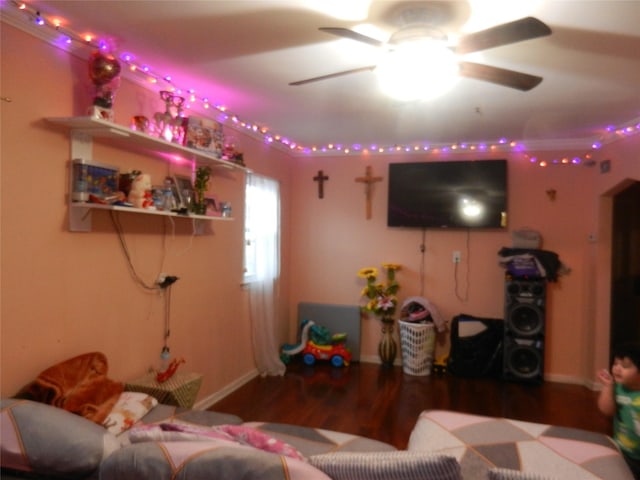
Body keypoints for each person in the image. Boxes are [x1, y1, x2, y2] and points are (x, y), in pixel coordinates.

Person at [597, 343, 640, 479]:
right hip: (622, 450)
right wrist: (608, 386)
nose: (617, 369)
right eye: (615, 364)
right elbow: (606, 410)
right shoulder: (617, 388)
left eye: (625, 366)